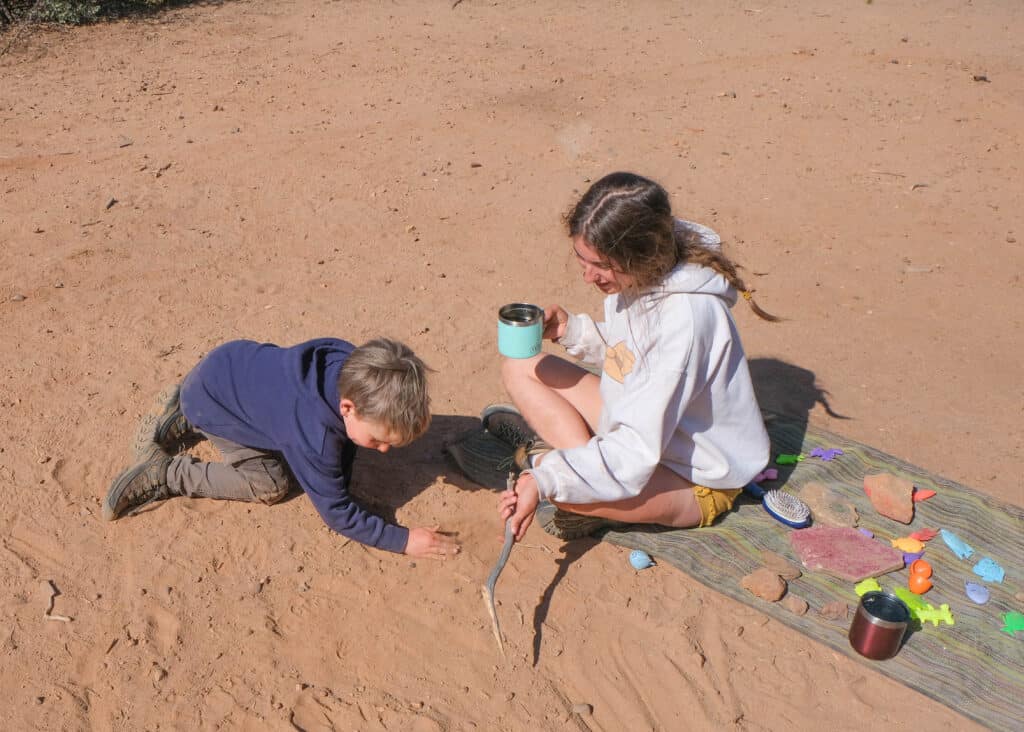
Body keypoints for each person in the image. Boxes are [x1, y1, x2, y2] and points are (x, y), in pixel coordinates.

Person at [495, 172, 777, 541]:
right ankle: (586, 468)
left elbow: (635, 450)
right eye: (582, 260)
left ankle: (581, 475)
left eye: (601, 265)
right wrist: (573, 332)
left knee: (565, 492)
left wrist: (545, 479)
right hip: (641, 426)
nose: (588, 277)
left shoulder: (685, 321)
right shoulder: (644, 275)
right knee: (522, 367)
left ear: (640, 255)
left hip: (693, 477)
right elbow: (632, 354)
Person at [104, 337, 460, 559]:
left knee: (268, 419)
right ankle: (167, 473)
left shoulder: (347, 363)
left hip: (225, 366)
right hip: (215, 402)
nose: (383, 449)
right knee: (271, 484)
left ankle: (184, 413)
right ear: (348, 408)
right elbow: (337, 512)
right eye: (379, 440)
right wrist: (402, 540)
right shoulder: (314, 436)